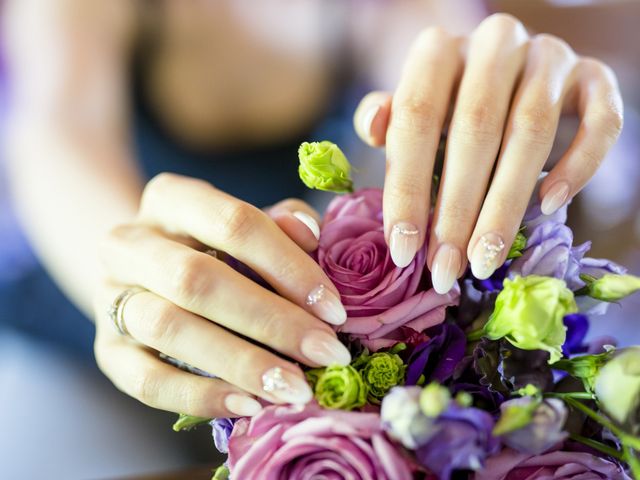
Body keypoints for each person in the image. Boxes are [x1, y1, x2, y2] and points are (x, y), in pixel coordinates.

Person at [2, 0, 624, 425]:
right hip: (112, 299)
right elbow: (59, 134)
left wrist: (500, 95)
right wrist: (119, 275)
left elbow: (435, 56)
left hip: (304, 311)